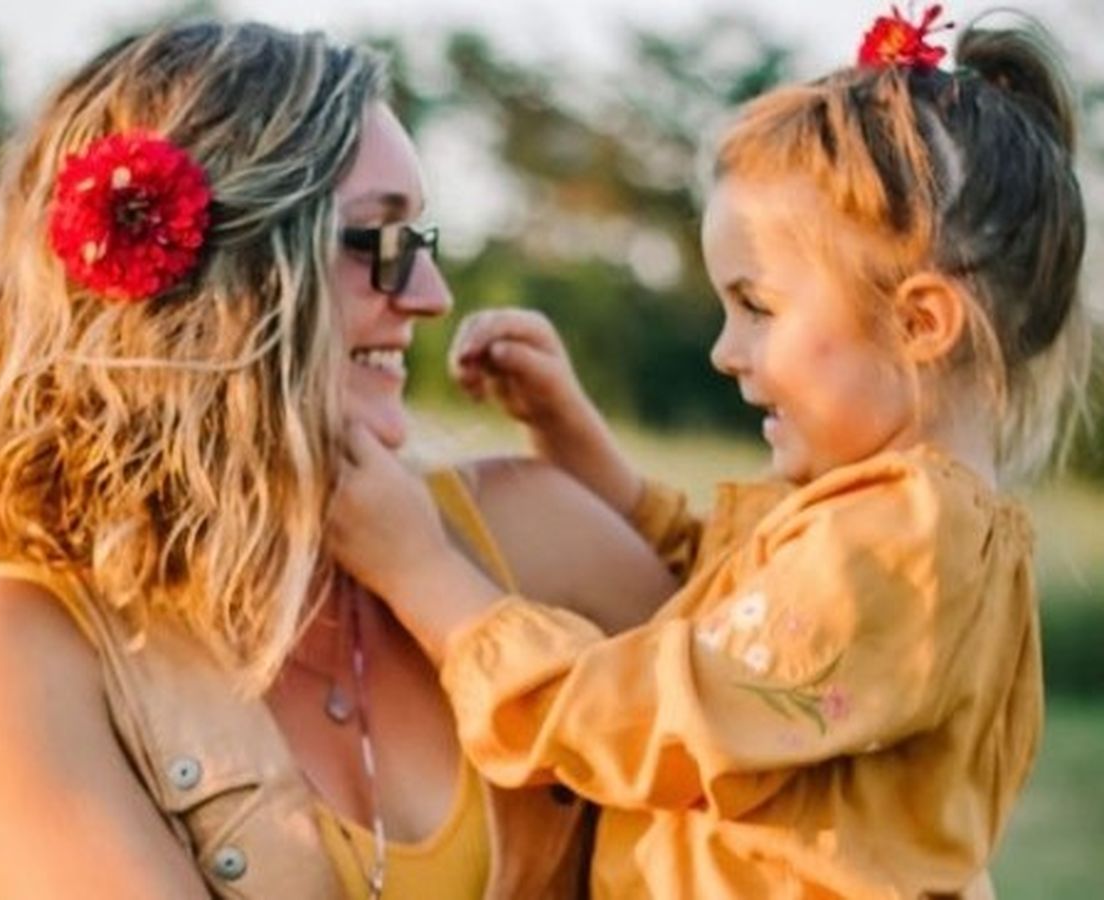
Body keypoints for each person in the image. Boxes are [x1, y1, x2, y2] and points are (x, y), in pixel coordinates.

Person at [328, 7, 1091, 898]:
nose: (727, 352)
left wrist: (424, 576)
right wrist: (574, 438)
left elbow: (649, 721)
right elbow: (721, 598)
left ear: (920, 322)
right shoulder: (881, 524)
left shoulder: (904, 546)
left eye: (758, 308)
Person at [0, 20, 677, 899]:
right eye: (380, 243)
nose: (431, 297)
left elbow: (785, 737)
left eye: (421, 245)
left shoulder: (534, 530)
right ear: (220, 280)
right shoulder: (16, 653)